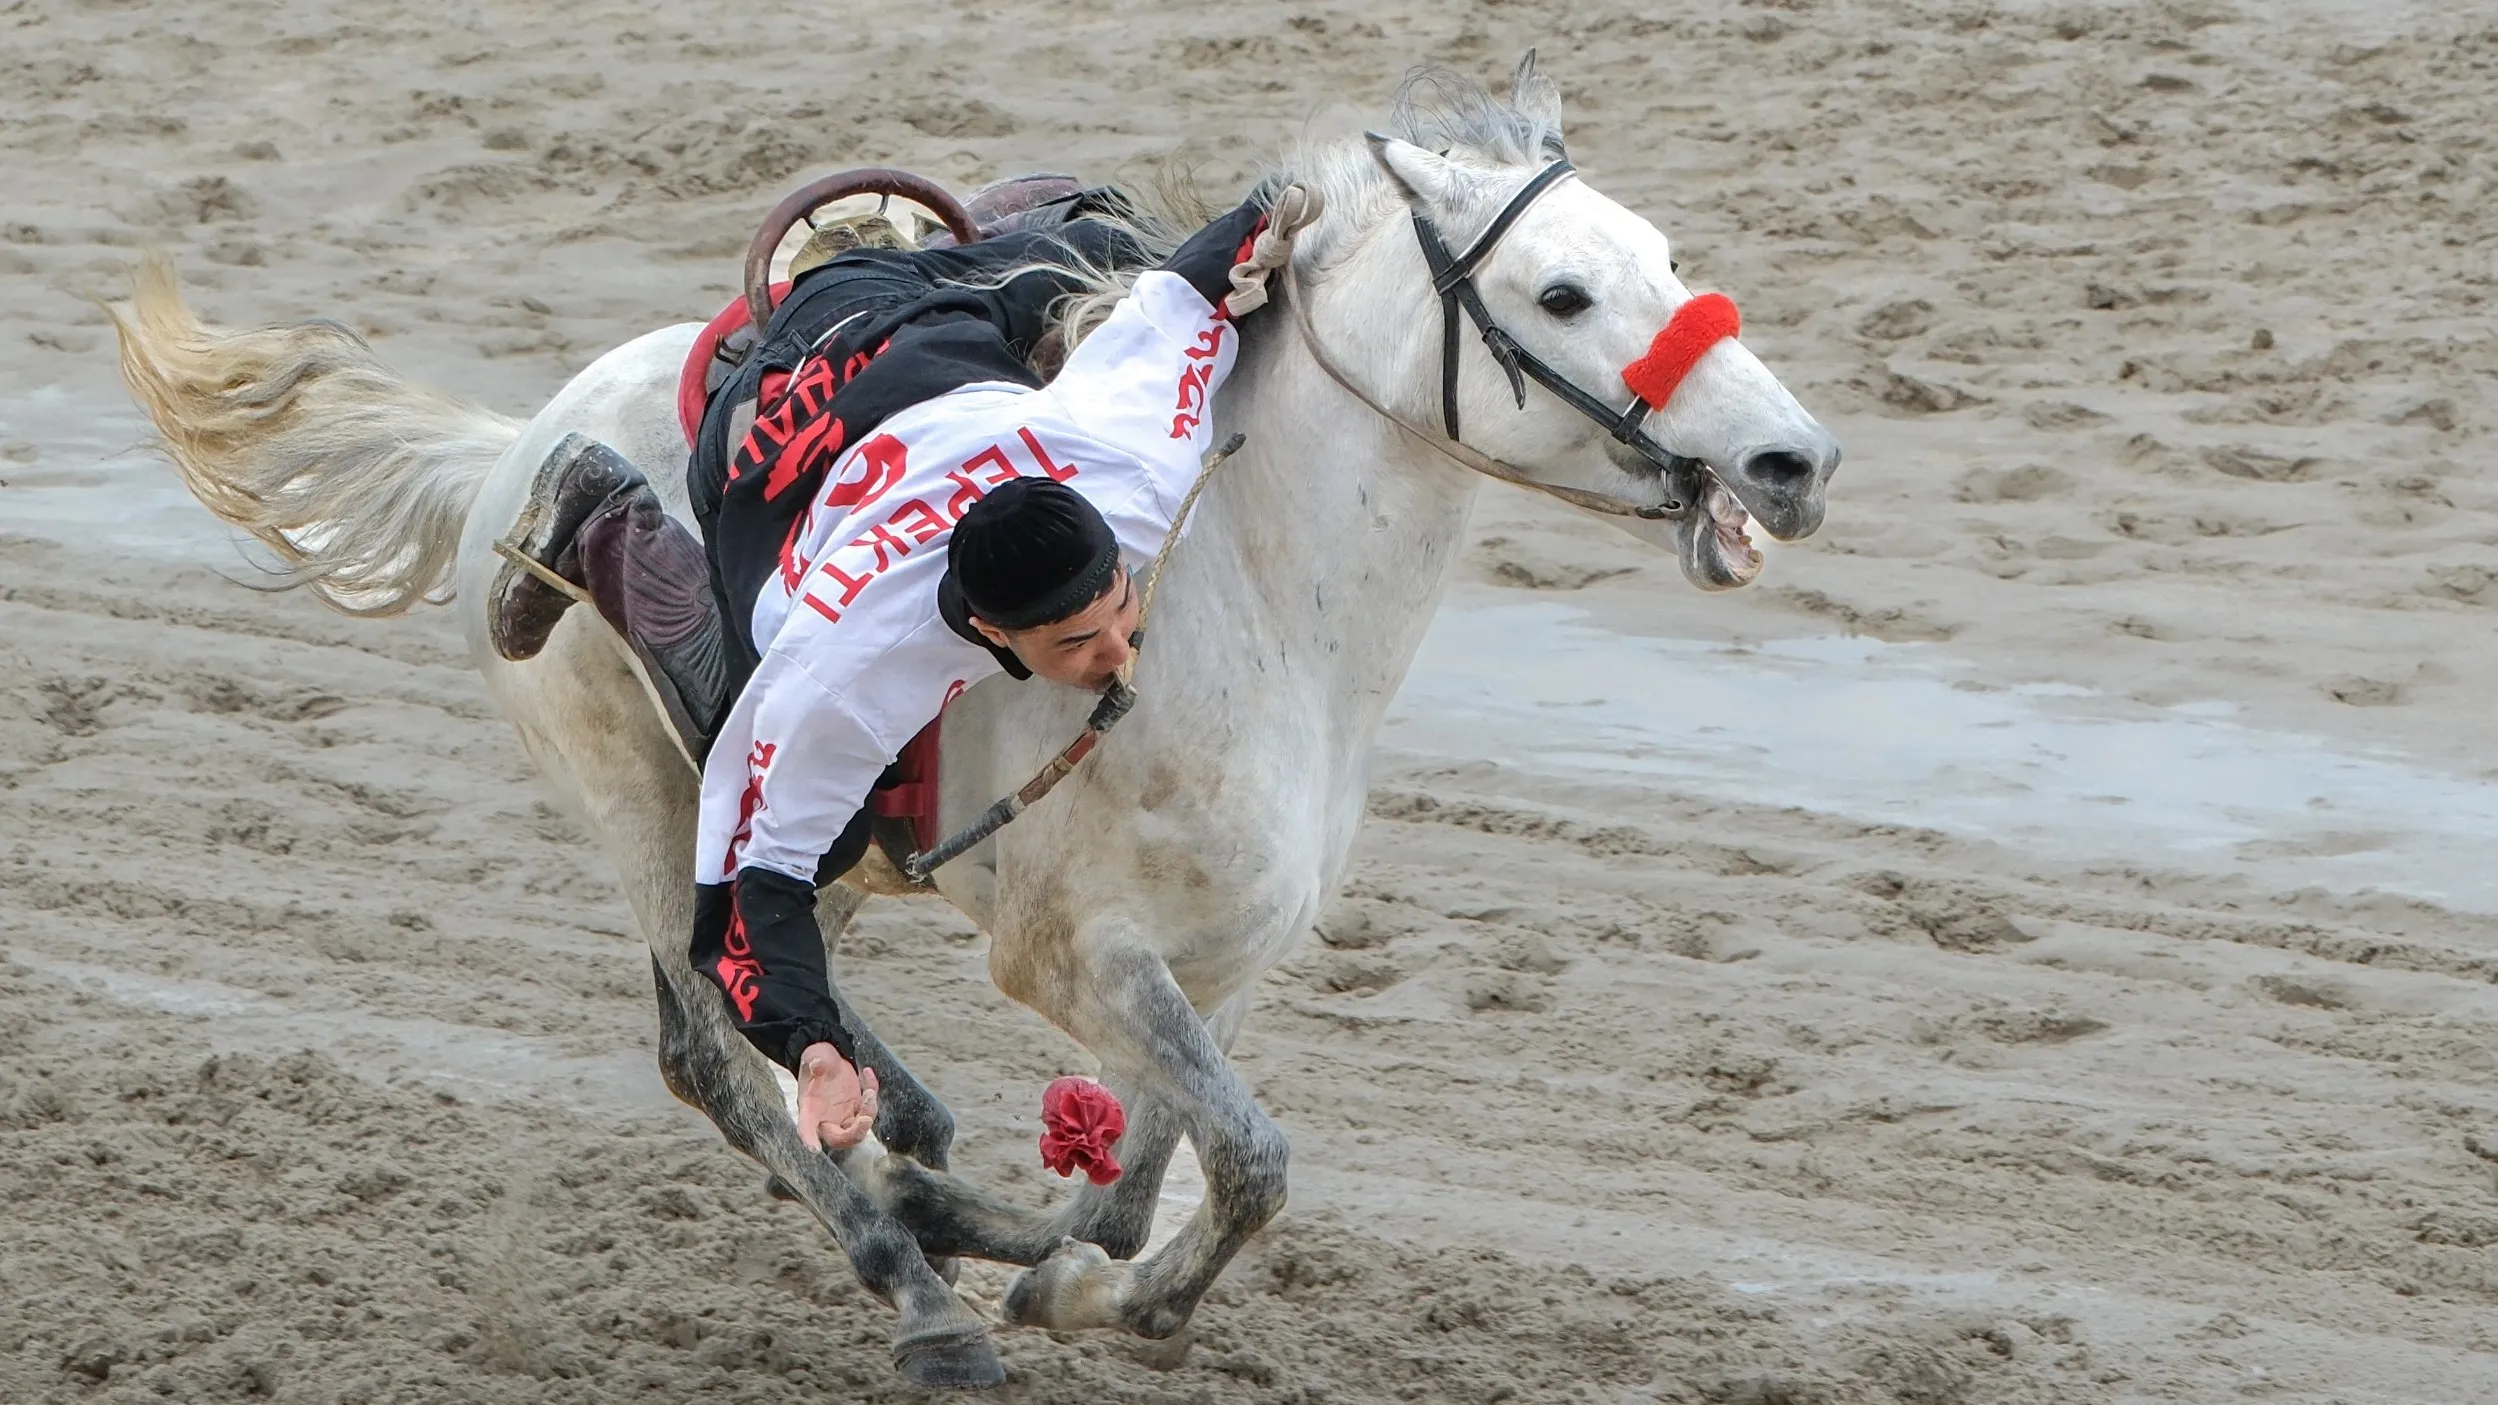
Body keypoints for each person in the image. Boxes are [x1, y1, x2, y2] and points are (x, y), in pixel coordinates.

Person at [484, 178, 1320, 1153]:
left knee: (1102, 241)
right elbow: (749, 892)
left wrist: (1271, 210)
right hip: (791, 407)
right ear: (988, 634)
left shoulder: (1133, 473)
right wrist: (813, 1046)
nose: (1115, 655)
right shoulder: (845, 661)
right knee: (814, 823)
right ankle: (607, 520)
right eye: (1073, 648)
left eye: (1118, 614)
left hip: (947, 302)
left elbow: (1179, 304)